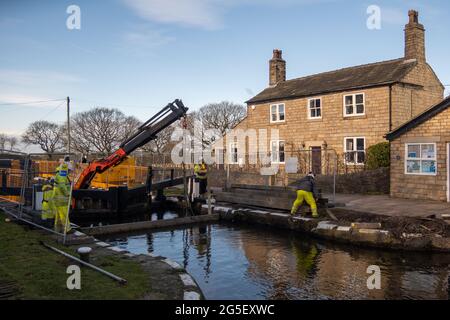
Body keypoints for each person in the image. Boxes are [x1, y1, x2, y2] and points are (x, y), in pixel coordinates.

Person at [52, 163, 72, 233]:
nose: (69, 172)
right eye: (69, 170)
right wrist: (67, 194)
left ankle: (57, 229)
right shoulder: (62, 174)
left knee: (58, 215)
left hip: (58, 197)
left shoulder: (59, 174)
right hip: (62, 198)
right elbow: (62, 186)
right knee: (64, 214)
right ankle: (67, 230)